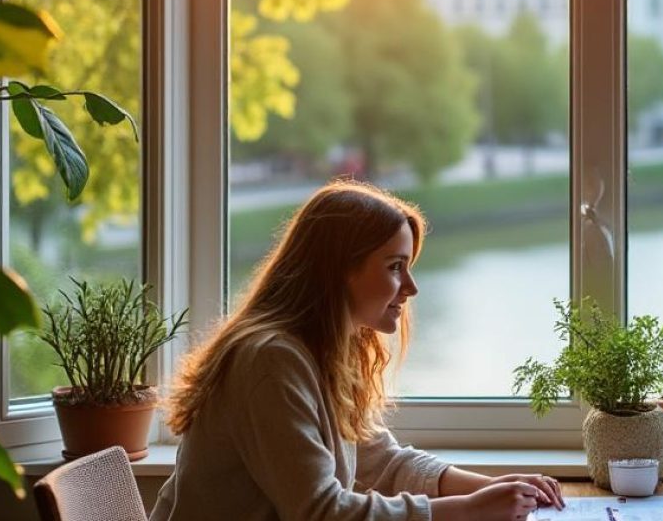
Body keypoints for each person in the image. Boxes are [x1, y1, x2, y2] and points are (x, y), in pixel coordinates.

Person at [151, 180, 566, 521]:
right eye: (394, 266)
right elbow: (320, 511)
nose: (411, 287)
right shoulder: (270, 361)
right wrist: (464, 511)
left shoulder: (322, 351)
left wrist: (491, 488)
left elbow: (381, 460)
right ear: (339, 271)